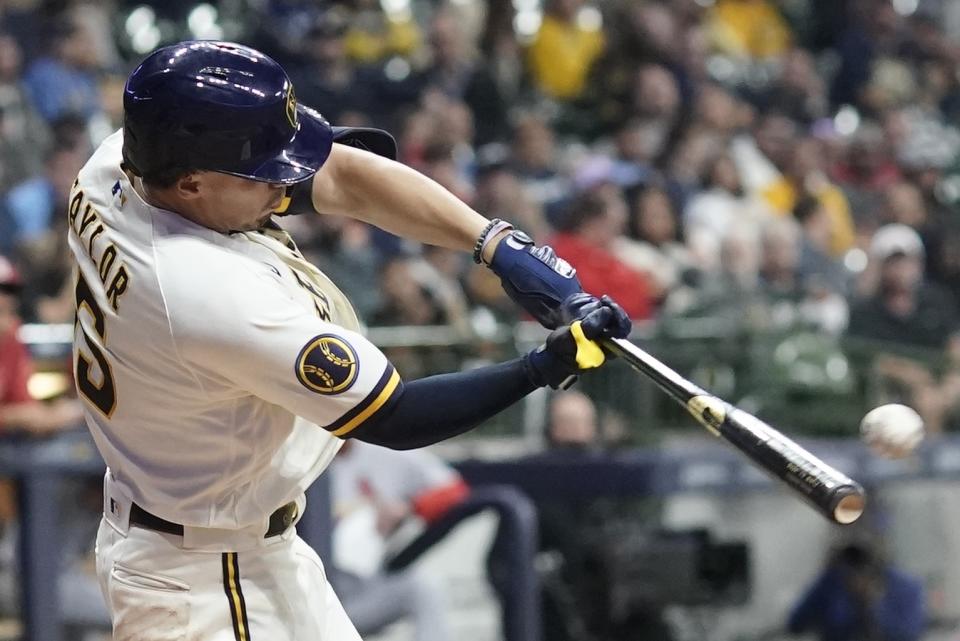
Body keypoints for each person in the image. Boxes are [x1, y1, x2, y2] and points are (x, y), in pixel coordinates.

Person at [74, 41, 631, 641]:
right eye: (263, 175)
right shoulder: (204, 291)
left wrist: (496, 243)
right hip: (202, 584)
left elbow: (341, 174)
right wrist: (541, 366)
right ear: (190, 184)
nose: (282, 188)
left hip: (233, 545)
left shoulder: (116, 165)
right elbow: (395, 417)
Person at [329, 440, 469, 641]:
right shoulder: (291, 458)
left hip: (363, 589)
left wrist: (408, 508)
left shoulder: (385, 447)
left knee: (422, 587)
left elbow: (454, 490)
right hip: (310, 594)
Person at [787, 541, 925, 641]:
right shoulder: (833, 582)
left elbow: (908, 632)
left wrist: (873, 605)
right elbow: (796, 624)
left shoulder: (904, 586)